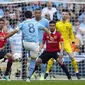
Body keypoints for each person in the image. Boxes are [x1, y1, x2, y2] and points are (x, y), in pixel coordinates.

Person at [3, 11, 53, 82]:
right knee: (33, 60)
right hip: (35, 44)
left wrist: (5, 37)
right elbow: (45, 29)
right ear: (32, 16)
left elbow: (13, 32)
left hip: (26, 44)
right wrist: (50, 36)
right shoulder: (36, 23)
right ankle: (28, 78)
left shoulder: (22, 23)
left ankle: (19, 56)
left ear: (25, 16)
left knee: (23, 43)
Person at [55, 9, 80, 79]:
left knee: (72, 57)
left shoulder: (69, 24)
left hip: (66, 42)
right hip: (59, 42)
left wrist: (73, 44)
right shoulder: (57, 24)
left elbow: (71, 35)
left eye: (66, 14)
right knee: (53, 57)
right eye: (63, 14)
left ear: (68, 15)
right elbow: (55, 34)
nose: (64, 15)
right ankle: (47, 72)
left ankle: (77, 72)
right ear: (61, 15)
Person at [32, 8, 49, 80]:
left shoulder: (45, 21)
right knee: (33, 59)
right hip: (33, 43)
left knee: (42, 60)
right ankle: (33, 73)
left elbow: (48, 31)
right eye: (36, 13)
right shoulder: (31, 21)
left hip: (43, 43)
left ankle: (42, 75)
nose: (37, 14)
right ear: (34, 13)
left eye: (39, 13)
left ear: (41, 13)